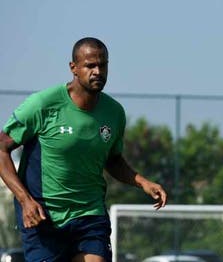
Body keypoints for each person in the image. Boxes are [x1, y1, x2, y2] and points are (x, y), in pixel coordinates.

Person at [0, 37, 167, 262]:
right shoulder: (43, 105)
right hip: (43, 215)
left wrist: (143, 183)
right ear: (74, 68)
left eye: (103, 64)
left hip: (90, 213)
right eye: (90, 65)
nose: (98, 71)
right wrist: (25, 200)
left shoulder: (114, 112)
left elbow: (113, 159)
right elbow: (1, 149)